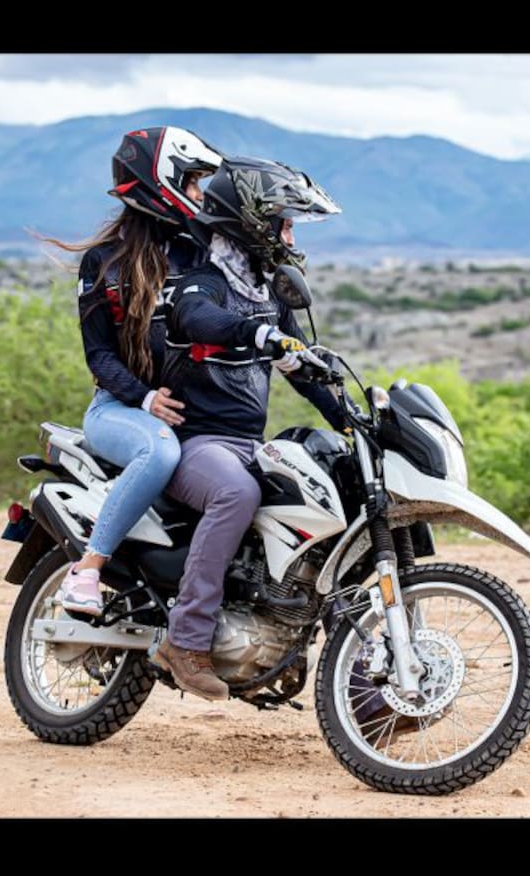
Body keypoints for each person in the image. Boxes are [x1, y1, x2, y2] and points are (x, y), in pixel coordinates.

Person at [150, 156, 346, 700]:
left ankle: (354, 672)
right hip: (195, 443)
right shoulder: (202, 281)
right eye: (284, 224)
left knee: (330, 497)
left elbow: (300, 369)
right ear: (251, 223)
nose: (290, 237)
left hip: (247, 444)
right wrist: (258, 335)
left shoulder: (267, 294)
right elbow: (198, 319)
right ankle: (186, 641)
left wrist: (352, 418)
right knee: (237, 492)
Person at [40, 126, 223, 615]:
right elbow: (99, 356)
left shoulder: (196, 255)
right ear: (161, 182)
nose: (199, 195)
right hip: (117, 409)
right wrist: (145, 398)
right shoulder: (103, 264)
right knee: (159, 453)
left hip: (184, 412)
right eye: (192, 182)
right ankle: (88, 569)